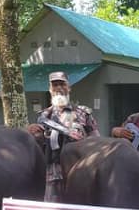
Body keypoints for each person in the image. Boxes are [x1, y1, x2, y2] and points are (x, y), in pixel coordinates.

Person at [31, 70, 99, 202]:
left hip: (79, 173)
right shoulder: (44, 116)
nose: (59, 88)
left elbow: (97, 144)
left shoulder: (83, 114)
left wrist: (81, 140)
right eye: (55, 85)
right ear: (50, 89)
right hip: (51, 175)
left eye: (62, 84)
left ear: (69, 87)